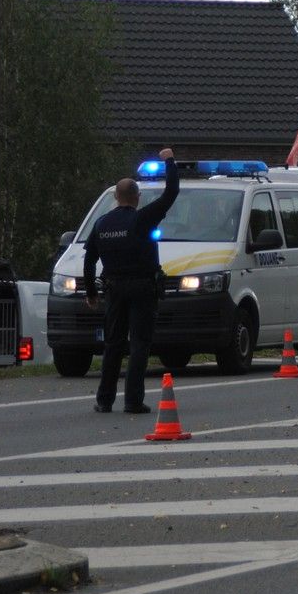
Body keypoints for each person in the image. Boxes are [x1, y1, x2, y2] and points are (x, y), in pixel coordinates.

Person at [85, 148, 179, 414]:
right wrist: (169, 161)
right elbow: (171, 193)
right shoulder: (142, 218)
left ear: (115, 197)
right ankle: (133, 401)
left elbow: (89, 259)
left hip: (113, 290)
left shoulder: (102, 224)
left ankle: (104, 400)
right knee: (139, 344)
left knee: (113, 344)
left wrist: (91, 292)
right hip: (142, 288)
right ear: (137, 197)